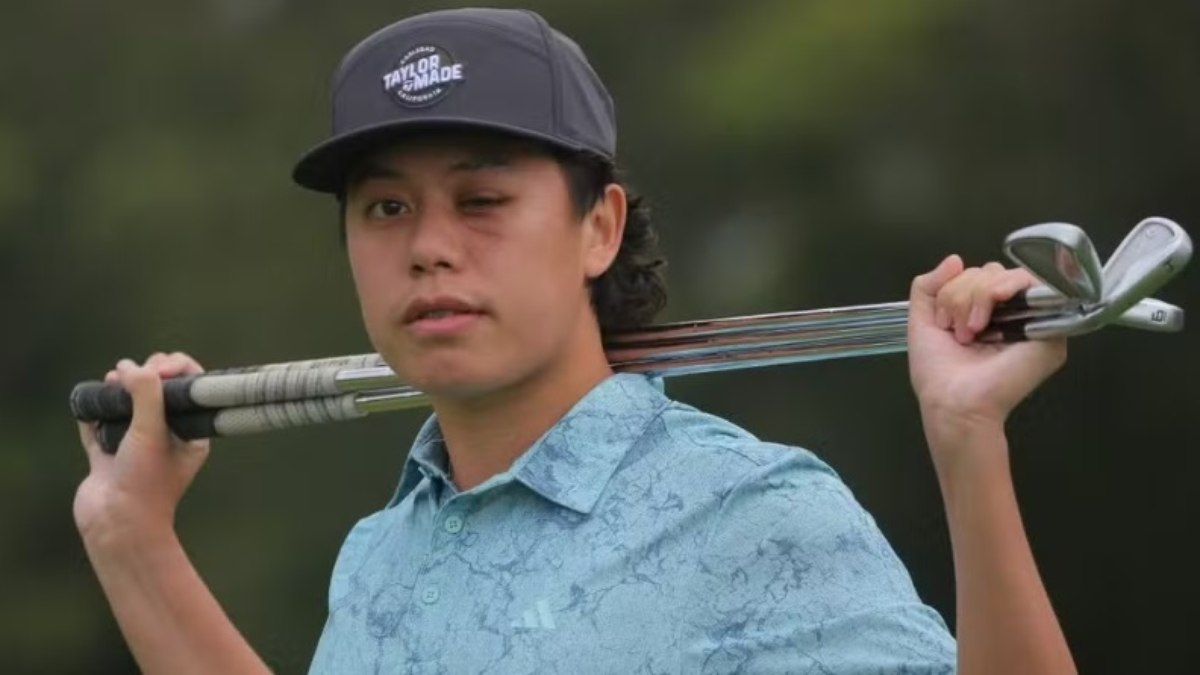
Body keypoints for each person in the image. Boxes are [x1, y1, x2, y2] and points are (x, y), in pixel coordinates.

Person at [73, 8, 1077, 674]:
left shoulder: (754, 514)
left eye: (482, 201)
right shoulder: (378, 557)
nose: (428, 249)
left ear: (598, 227)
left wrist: (965, 445)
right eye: (385, 210)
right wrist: (132, 540)